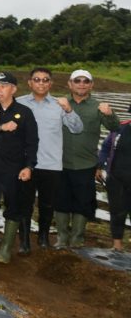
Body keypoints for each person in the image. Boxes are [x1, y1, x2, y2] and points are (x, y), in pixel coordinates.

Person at [0, 72, 38, 264]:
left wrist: (29, 166)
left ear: (13, 89)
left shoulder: (24, 112)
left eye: (3, 86)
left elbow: (32, 142)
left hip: (14, 169)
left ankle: (6, 246)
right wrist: (1, 127)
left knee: (13, 207)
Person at [18, 68, 83, 252]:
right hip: (26, 164)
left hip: (52, 164)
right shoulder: (19, 103)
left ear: (50, 83)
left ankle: (43, 236)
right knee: (25, 203)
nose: (41, 83)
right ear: (30, 82)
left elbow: (77, 129)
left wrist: (69, 110)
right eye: (37, 79)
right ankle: (24, 241)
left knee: (47, 204)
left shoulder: (59, 104)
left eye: (45, 80)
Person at [56, 69, 119, 248]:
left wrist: (109, 113)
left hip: (86, 163)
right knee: (61, 200)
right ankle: (61, 236)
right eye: (77, 81)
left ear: (91, 85)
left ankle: (77, 237)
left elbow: (114, 127)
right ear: (70, 84)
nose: (81, 84)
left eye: (85, 81)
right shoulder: (59, 103)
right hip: (60, 162)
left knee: (83, 202)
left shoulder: (98, 106)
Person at [98, 113, 131, 251]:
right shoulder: (120, 128)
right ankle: (117, 244)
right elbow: (105, 147)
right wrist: (99, 165)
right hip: (117, 178)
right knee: (117, 211)